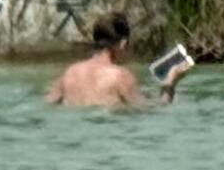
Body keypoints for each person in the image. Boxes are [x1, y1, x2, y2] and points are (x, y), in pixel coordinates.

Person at [46, 11, 189, 109]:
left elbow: (50, 101)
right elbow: (156, 110)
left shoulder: (70, 73)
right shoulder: (120, 77)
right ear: (123, 43)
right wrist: (170, 84)